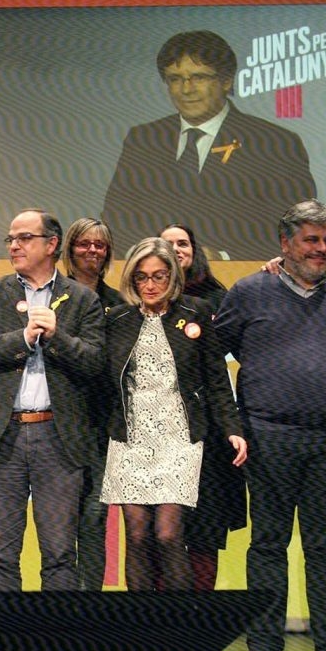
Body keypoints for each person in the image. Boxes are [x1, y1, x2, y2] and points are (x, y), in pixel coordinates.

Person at [215, 199, 326, 651]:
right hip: (267, 436)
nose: (322, 249)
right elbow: (212, 357)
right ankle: (261, 650)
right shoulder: (248, 292)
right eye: (311, 240)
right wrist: (233, 422)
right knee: (267, 545)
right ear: (285, 243)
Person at [0, 209, 105, 592]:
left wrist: (57, 338)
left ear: (51, 244)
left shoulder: (81, 299)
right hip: (2, 436)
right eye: (10, 239)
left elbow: (94, 362)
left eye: (23, 238)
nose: (14, 246)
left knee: (59, 555)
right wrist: (23, 338)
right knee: (1, 556)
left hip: (58, 438)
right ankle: (3, 646)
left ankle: (54, 647)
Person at [103, 237, 246, 591]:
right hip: (131, 438)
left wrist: (232, 428)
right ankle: (142, 633)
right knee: (136, 536)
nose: (150, 285)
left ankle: (177, 630)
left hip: (178, 438)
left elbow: (216, 380)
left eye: (159, 276)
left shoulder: (195, 313)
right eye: (142, 277)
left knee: (168, 534)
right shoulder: (118, 318)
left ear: (174, 278)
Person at [103, 30, 316, 261]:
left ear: (226, 80)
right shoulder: (143, 139)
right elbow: (115, 219)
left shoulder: (275, 143)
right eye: (175, 79)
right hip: (153, 283)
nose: (186, 89)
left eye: (199, 77)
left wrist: (222, 258)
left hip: (238, 283)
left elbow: (297, 231)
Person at [160, 224, 243, 590]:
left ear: (195, 250)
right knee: (160, 534)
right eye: (168, 244)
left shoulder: (217, 298)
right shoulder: (141, 300)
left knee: (204, 531)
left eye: (183, 243)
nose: (177, 249)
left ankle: (199, 621)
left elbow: (220, 368)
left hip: (205, 433)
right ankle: (158, 630)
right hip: (156, 434)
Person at [60, 217, 125, 592]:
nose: (92, 251)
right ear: (69, 249)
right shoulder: (54, 296)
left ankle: (90, 606)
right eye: (84, 244)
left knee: (96, 519)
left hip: (104, 427)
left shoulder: (119, 303)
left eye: (99, 245)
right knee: (61, 524)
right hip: (61, 425)